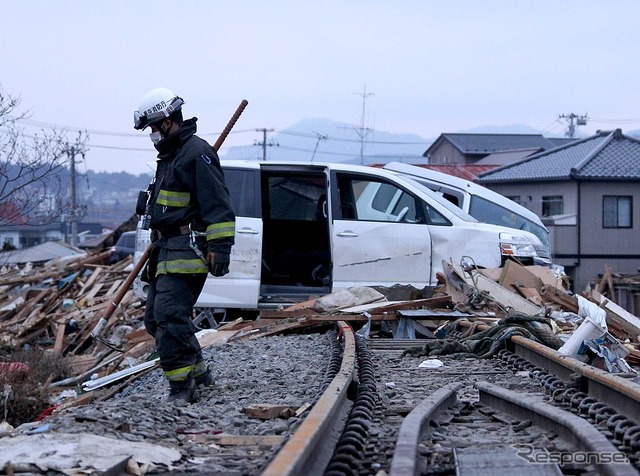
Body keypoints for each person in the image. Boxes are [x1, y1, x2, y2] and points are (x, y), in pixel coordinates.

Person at [133, 87, 235, 404]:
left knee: (169, 316)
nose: (152, 134)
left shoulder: (196, 153)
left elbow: (219, 206)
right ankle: (200, 374)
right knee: (156, 319)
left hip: (186, 253)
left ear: (166, 122)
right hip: (165, 251)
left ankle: (180, 388)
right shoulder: (172, 156)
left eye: (153, 127)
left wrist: (221, 249)